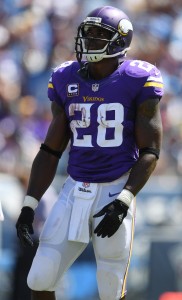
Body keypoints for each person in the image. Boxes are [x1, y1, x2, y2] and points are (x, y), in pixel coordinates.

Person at [15, 5, 164, 300]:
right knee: (40, 278)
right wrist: (29, 204)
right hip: (74, 189)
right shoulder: (64, 78)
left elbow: (150, 150)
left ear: (120, 41)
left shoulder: (137, 79)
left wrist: (124, 200)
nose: (89, 39)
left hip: (115, 188)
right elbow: (50, 150)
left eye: (99, 34)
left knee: (111, 288)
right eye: (88, 32)